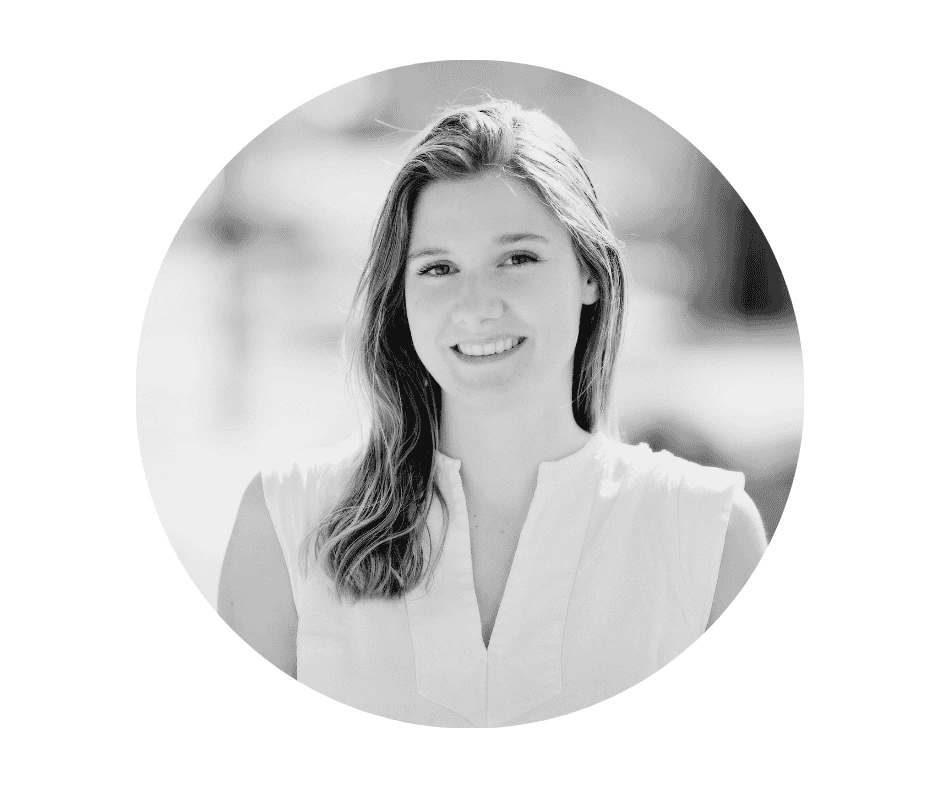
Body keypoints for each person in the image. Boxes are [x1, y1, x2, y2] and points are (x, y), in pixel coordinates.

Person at [217, 99, 767, 727]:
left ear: (589, 273)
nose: (478, 305)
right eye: (439, 268)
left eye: (517, 258)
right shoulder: (285, 524)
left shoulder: (710, 534)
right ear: (401, 296)